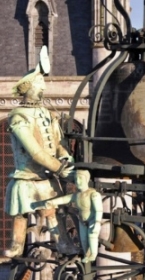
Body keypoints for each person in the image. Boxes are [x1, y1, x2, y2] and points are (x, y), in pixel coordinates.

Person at [4, 46, 76, 257]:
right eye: (39, 86)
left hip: (47, 177)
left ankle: (63, 243)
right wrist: (61, 169)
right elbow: (34, 151)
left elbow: (58, 141)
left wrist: (64, 155)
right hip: (26, 178)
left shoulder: (46, 113)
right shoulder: (17, 117)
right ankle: (17, 245)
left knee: (53, 212)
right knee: (20, 214)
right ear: (28, 89)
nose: (43, 89)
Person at [31, 170, 103, 263]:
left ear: (86, 180)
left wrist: (97, 223)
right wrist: (52, 202)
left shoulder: (93, 194)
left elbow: (98, 210)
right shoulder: (77, 195)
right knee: (84, 240)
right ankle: (87, 255)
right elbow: (65, 199)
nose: (78, 181)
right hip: (82, 221)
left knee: (92, 236)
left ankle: (93, 255)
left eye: (81, 179)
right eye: (76, 179)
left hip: (92, 221)